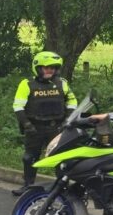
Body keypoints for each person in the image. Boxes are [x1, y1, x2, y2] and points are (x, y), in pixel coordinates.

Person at [11, 51, 77, 195]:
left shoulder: (62, 83)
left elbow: (72, 101)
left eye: (53, 67)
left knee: (60, 158)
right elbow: (18, 106)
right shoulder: (27, 84)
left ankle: (62, 188)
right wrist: (27, 124)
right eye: (47, 67)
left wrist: (68, 118)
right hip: (35, 128)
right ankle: (28, 186)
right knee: (30, 157)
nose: (50, 70)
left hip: (56, 128)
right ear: (38, 68)